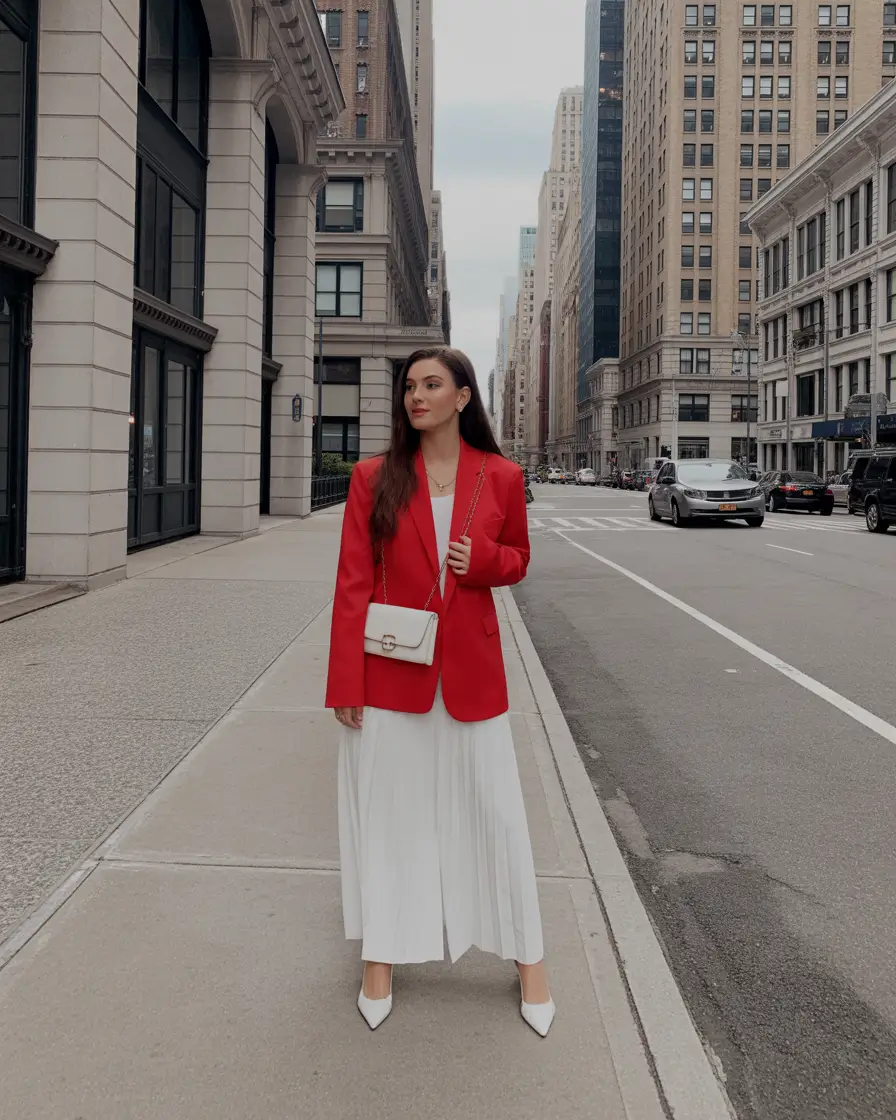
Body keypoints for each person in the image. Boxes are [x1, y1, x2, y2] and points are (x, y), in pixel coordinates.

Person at [326, 346, 554, 1036]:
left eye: (431, 384)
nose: (415, 396)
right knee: (392, 819)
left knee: (498, 819)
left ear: (462, 396)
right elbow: (351, 584)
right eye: (408, 386)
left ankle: (530, 963)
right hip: (392, 675)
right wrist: (345, 681)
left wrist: (481, 562)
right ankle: (381, 958)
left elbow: (518, 559)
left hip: (474, 680)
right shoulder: (376, 478)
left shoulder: (504, 477)